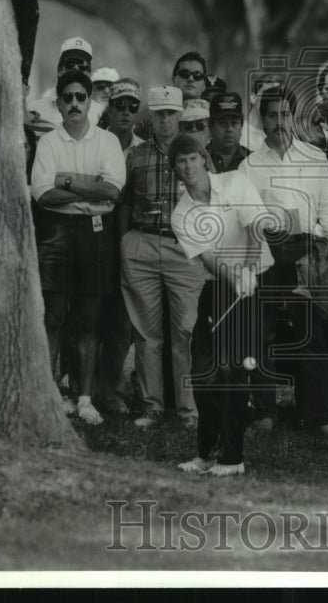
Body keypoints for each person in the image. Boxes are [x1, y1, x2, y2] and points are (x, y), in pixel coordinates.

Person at [239, 87, 328, 437]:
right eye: (272, 115)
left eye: (285, 115)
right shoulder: (249, 165)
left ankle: (318, 417)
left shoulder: (315, 157)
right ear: (263, 119)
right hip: (267, 253)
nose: (279, 122)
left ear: (295, 118)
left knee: (312, 336)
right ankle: (267, 413)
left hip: (308, 251)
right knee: (263, 333)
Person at [170, 134, 273, 477]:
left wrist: (248, 270)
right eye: (181, 162)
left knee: (232, 372)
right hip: (220, 287)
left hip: (252, 283)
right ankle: (205, 453)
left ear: (204, 159)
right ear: (176, 170)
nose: (189, 166)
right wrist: (235, 276)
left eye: (193, 159)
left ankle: (232, 459)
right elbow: (211, 261)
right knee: (202, 371)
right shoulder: (181, 214)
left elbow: (256, 228)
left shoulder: (235, 181)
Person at [31, 69, 126, 425]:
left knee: (89, 318)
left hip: (94, 233)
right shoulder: (49, 143)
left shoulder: (107, 142)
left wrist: (67, 182)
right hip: (56, 233)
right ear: (59, 102)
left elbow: (113, 191)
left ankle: (85, 399)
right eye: (67, 98)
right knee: (53, 316)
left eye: (80, 97)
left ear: (90, 101)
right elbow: (42, 194)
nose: (74, 104)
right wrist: (90, 190)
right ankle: (50, 393)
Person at [118, 85, 206, 430]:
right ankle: (152, 406)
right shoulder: (136, 156)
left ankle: (188, 410)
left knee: (185, 330)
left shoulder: (196, 153)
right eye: (160, 114)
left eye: (172, 113)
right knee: (146, 333)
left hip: (183, 247)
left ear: (180, 115)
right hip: (142, 242)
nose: (166, 120)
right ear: (150, 117)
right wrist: (126, 242)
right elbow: (125, 203)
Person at [95, 79, 144, 415]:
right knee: (87, 315)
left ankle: (112, 390)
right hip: (94, 233)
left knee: (122, 319)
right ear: (108, 109)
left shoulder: (144, 149)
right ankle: (80, 386)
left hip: (130, 237)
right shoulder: (95, 143)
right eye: (120, 105)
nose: (126, 112)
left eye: (132, 107)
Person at [207, 92, 251, 173]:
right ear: (210, 126)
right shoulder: (199, 158)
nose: (229, 129)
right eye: (223, 124)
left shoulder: (252, 159)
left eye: (234, 123)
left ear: (241, 126)